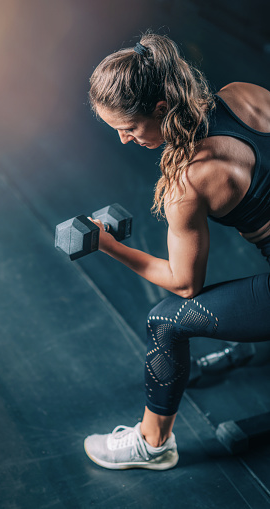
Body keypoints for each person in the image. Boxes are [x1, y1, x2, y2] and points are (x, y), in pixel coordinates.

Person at [83, 33, 270, 471]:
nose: (125, 140)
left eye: (128, 128)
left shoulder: (189, 180)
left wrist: (108, 246)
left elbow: (186, 285)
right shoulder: (243, 95)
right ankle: (252, 351)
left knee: (165, 322)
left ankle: (153, 444)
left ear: (161, 110)